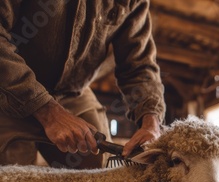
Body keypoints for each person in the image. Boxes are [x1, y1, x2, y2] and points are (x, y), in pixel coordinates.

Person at [0, 0, 166, 168]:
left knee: (102, 173)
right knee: (13, 181)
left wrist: (151, 121)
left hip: (73, 91)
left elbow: (139, 65)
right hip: (8, 87)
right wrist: (48, 112)